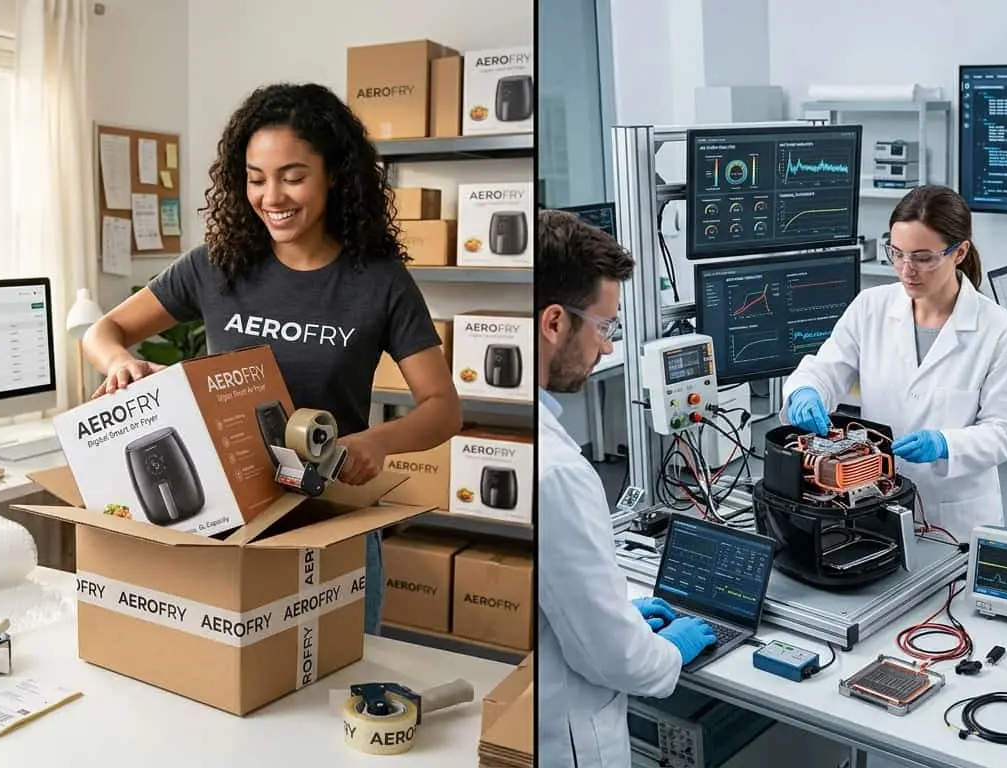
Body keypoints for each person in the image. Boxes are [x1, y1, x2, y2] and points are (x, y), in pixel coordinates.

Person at [81, 83, 462, 635]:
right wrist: (118, 361)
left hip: (331, 521)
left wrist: (378, 441)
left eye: (292, 176)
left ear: (334, 174)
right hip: (224, 522)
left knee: (338, 683)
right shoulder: (216, 266)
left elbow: (442, 406)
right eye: (256, 179)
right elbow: (102, 330)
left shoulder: (379, 283)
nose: (272, 197)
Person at [537, 209, 717, 767]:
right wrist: (668, 651)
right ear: (553, 323)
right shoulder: (559, 473)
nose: (609, 348)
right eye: (605, 327)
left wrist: (620, 611)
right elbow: (619, 662)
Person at [782, 185, 1007, 542]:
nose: (906, 269)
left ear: (959, 253)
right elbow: (826, 368)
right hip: (873, 499)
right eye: (896, 253)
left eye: (923, 257)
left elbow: (1006, 432)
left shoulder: (998, 330)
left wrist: (945, 444)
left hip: (955, 518)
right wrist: (806, 390)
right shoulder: (871, 307)